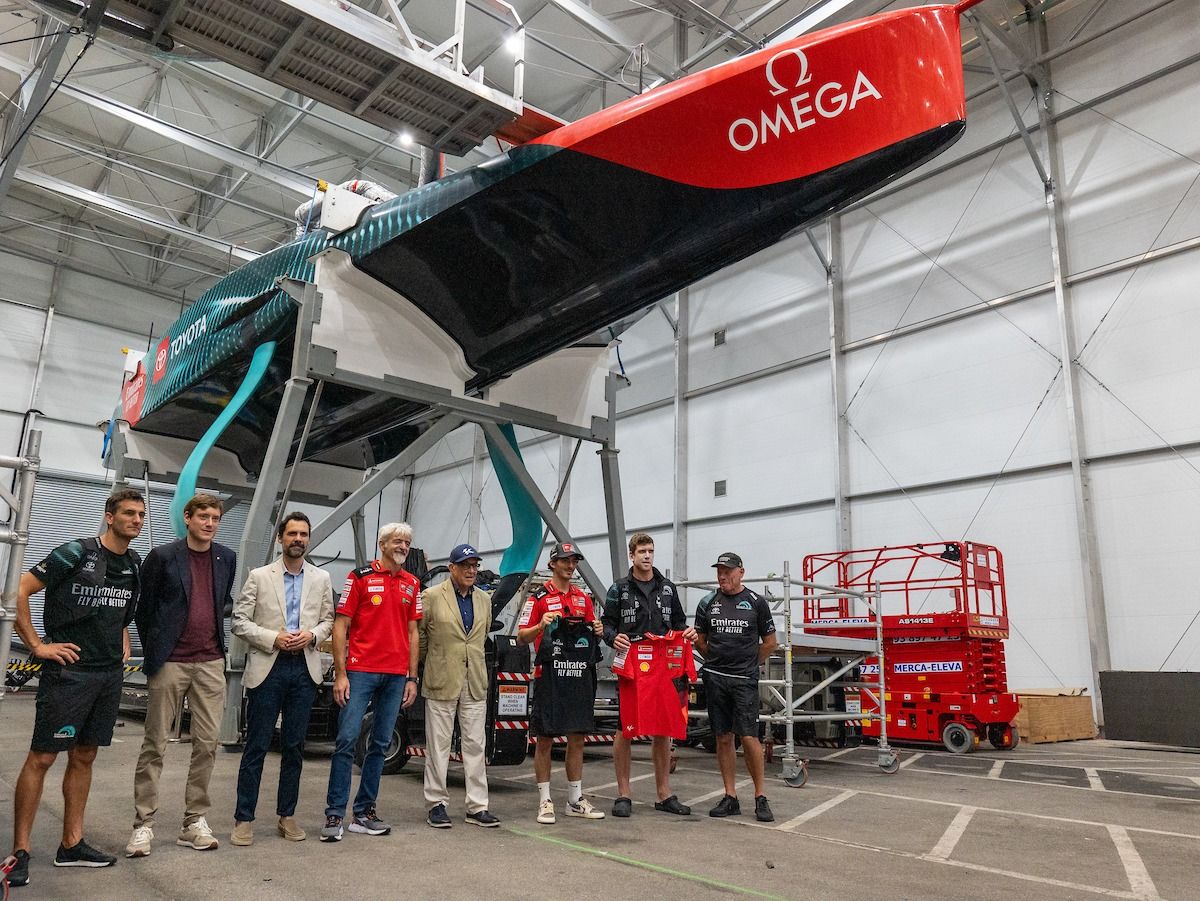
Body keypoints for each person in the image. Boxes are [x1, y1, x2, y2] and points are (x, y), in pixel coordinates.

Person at [6, 489, 145, 888]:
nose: (136, 520)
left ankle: (71, 844)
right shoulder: (75, 553)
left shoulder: (133, 563)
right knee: (42, 758)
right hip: (69, 674)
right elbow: (17, 590)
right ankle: (20, 851)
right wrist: (36, 646)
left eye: (141, 514)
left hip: (107, 675)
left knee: (84, 756)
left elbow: (119, 609)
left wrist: (122, 634)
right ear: (109, 517)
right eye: (129, 513)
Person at [127, 494, 237, 857]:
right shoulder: (162, 557)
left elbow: (222, 601)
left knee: (207, 744)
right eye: (203, 516)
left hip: (210, 662)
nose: (209, 523)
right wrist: (157, 650)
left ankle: (194, 822)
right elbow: (144, 610)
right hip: (170, 662)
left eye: (215, 518)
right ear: (187, 518)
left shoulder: (226, 558)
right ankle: (143, 824)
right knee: (155, 743)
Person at [229, 512, 334, 846]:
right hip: (268, 668)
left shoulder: (321, 578)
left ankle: (287, 816)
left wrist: (312, 635)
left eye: (303, 534)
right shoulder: (260, 576)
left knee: (294, 747)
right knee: (257, 745)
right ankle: (244, 818)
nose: (298, 539)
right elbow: (239, 621)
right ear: (280, 538)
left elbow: (328, 621)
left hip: (304, 669)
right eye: (292, 534)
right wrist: (272, 637)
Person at [320, 522, 421, 842]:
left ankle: (363, 813)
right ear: (382, 544)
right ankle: (334, 814)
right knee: (347, 740)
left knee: (379, 744)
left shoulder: (412, 583)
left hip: (396, 676)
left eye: (407, 542)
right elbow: (341, 626)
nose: (403, 547)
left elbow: (413, 633)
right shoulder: (360, 577)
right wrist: (340, 673)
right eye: (397, 541)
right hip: (360, 671)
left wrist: (412, 677)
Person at [601, 532, 696, 817]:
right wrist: (613, 637)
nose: (647, 556)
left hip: (664, 666)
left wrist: (688, 633)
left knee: (663, 728)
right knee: (625, 728)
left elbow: (679, 623)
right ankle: (623, 794)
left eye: (650, 551)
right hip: (633, 665)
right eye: (642, 551)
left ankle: (664, 793)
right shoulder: (619, 589)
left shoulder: (667, 588)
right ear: (631, 555)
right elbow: (607, 624)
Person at [517, 541, 605, 824]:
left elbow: (593, 632)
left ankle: (575, 799)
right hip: (549, 677)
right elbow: (521, 637)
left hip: (578, 677)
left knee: (577, 737)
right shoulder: (539, 598)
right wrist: (540, 625)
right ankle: (545, 800)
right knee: (545, 738)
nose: (570, 565)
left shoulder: (583, 598)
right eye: (565, 560)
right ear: (552, 563)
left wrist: (599, 629)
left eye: (574, 561)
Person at [419, 543, 499, 829]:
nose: (471, 570)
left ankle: (477, 806)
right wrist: (433, 664)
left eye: (474, 566)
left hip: (474, 681)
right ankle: (436, 804)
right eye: (465, 565)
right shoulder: (431, 596)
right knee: (438, 745)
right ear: (451, 568)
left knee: (476, 745)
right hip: (441, 679)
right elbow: (421, 638)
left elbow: (481, 636)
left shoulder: (484, 600)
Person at [693, 552, 778, 823]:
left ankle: (760, 796)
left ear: (741, 572)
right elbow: (700, 641)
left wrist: (748, 664)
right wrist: (716, 661)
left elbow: (770, 643)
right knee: (722, 737)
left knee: (749, 736)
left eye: (728, 571)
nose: (722, 576)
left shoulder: (756, 602)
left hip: (744, 680)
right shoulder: (707, 602)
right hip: (716, 678)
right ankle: (730, 796)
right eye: (719, 571)